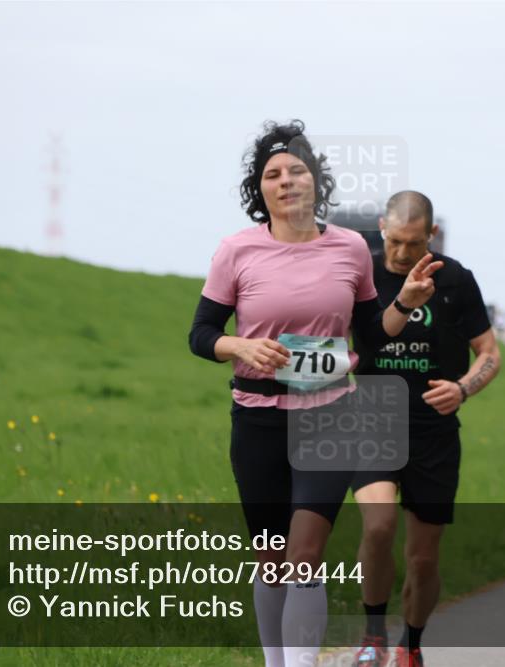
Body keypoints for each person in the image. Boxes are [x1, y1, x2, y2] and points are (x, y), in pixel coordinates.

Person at [188, 120, 442, 667]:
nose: (286, 181)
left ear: (315, 181)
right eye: (273, 174)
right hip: (256, 416)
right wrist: (238, 347)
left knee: (305, 555)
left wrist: (405, 302)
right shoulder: (236, 252)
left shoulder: (350, 248)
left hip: (329, 412)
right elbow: (200, 334)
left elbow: (371, 333)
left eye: (297, 171)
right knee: (272, 558)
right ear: (260, 190)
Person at [349, 191, 501, 667]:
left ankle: (411, 645)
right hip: (373, 414)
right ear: (381, 228)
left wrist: (463, 388)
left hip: (434, 428)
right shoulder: (363, 272)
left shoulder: (455, 279)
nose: (400, 253)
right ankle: (373, 636)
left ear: (430, 236)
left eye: (412, 244)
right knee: (378, 527)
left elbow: (490, 352)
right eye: (393, 241)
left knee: (423, 559)